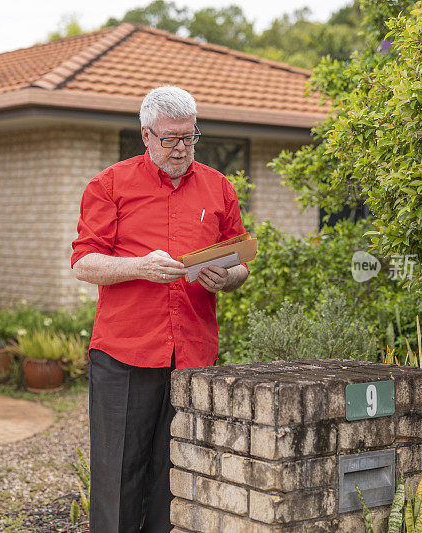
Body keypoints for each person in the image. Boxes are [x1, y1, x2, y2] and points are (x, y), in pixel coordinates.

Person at [70, 85, 249, 532]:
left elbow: (241, 262)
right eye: (170, 139)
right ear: (146, 135)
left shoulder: (219, 187)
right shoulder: (108, 185)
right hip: (125, 355)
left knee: (176, 476)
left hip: (192, 354)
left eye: (189, 137)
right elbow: (84, 263)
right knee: (118, 477)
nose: (181, 148)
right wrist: (139, 267)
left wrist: (226, 277)